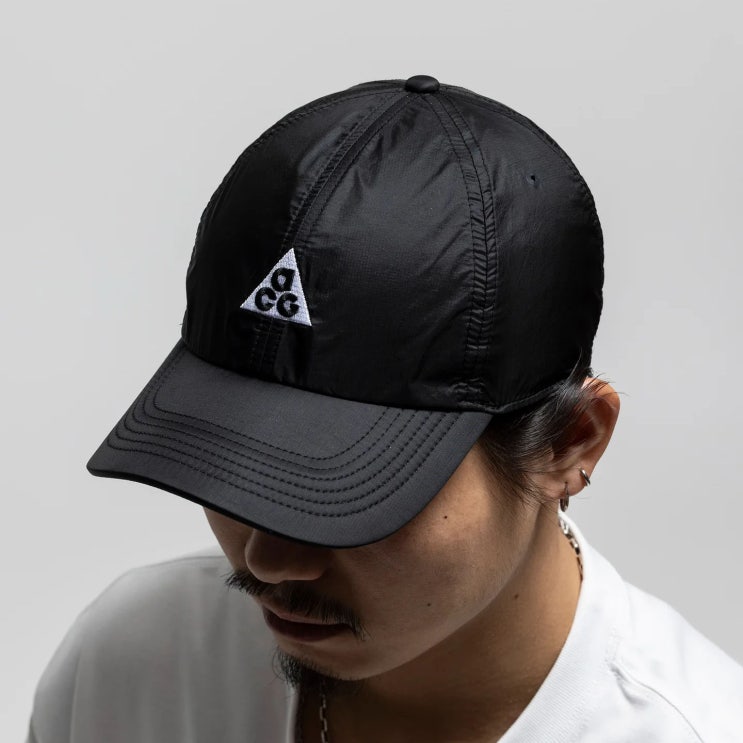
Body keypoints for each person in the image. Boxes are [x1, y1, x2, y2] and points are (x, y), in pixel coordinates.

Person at [26, 75, 743, 743]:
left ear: (571, 443)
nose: (267, 562)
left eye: (350, 491)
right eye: (241, 464)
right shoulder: (137, 661)